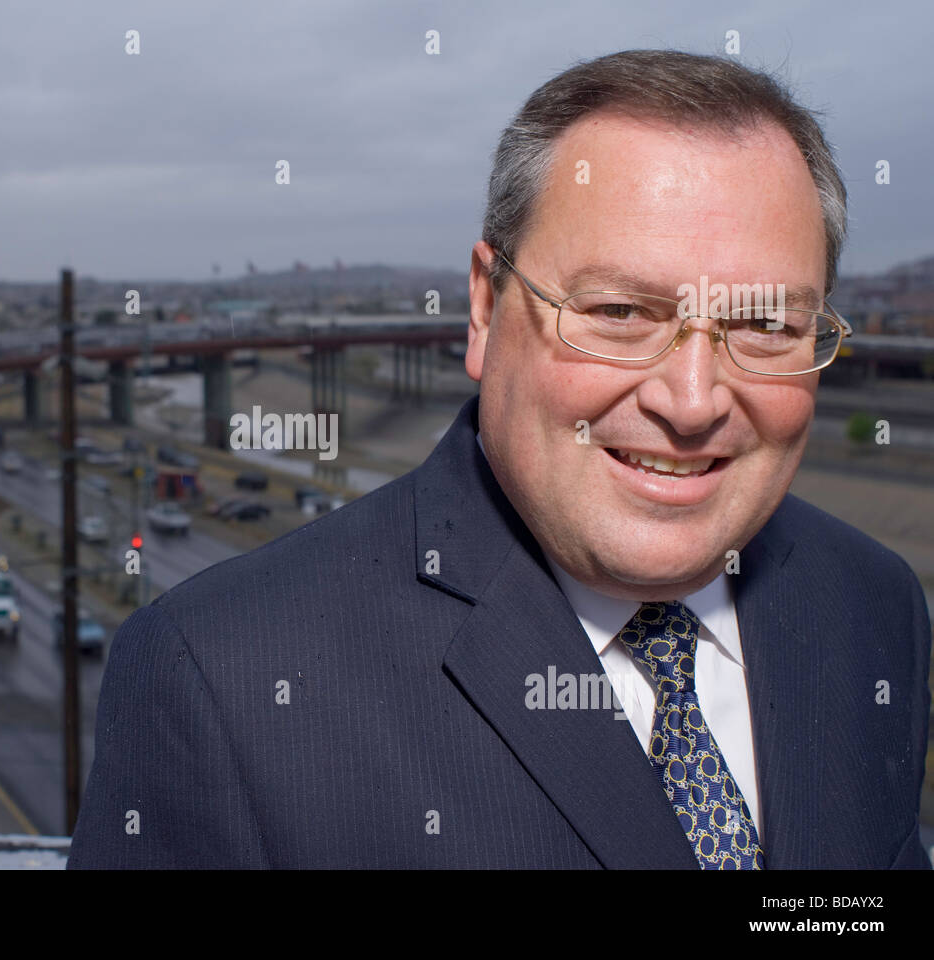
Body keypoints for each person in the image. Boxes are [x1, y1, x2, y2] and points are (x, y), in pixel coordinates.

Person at [67, 50, 931, 869]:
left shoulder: (872, 604)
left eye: (765, 325)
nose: (693, 399)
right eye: (621, 310)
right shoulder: (222, 681)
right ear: (485, 309)